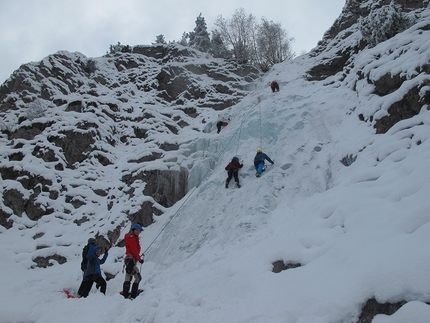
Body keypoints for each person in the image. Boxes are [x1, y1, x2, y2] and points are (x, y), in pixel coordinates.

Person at [122, 223, 144, 299]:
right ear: (133, 230)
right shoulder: (132, 238)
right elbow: (134, 250)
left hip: (129, 259)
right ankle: (133, 294)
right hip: (131, 260)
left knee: (128, 276)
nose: (138, 232)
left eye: (139, 230)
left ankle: (125, 293)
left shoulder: (132, 237)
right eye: (137, 230)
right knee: (138, 277)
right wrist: (139, 259)